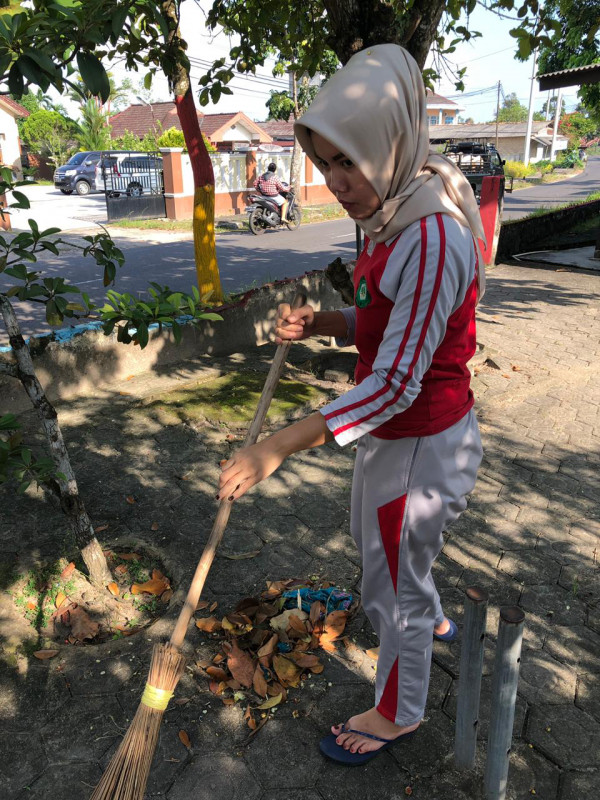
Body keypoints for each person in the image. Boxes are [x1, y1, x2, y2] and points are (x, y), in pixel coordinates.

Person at [218, 44, 486, 766]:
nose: (336, 183)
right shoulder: (392, 206)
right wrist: (328, 325)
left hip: (421, 441)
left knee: (389, 584)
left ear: (389, 145)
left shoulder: (429, 234)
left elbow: (397, 381)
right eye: (326, 162)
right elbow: (386, 318)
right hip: (394, 434)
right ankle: (427, 620)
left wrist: (275, 445)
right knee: (391, 567)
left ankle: (399, 712)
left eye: (348, 163)